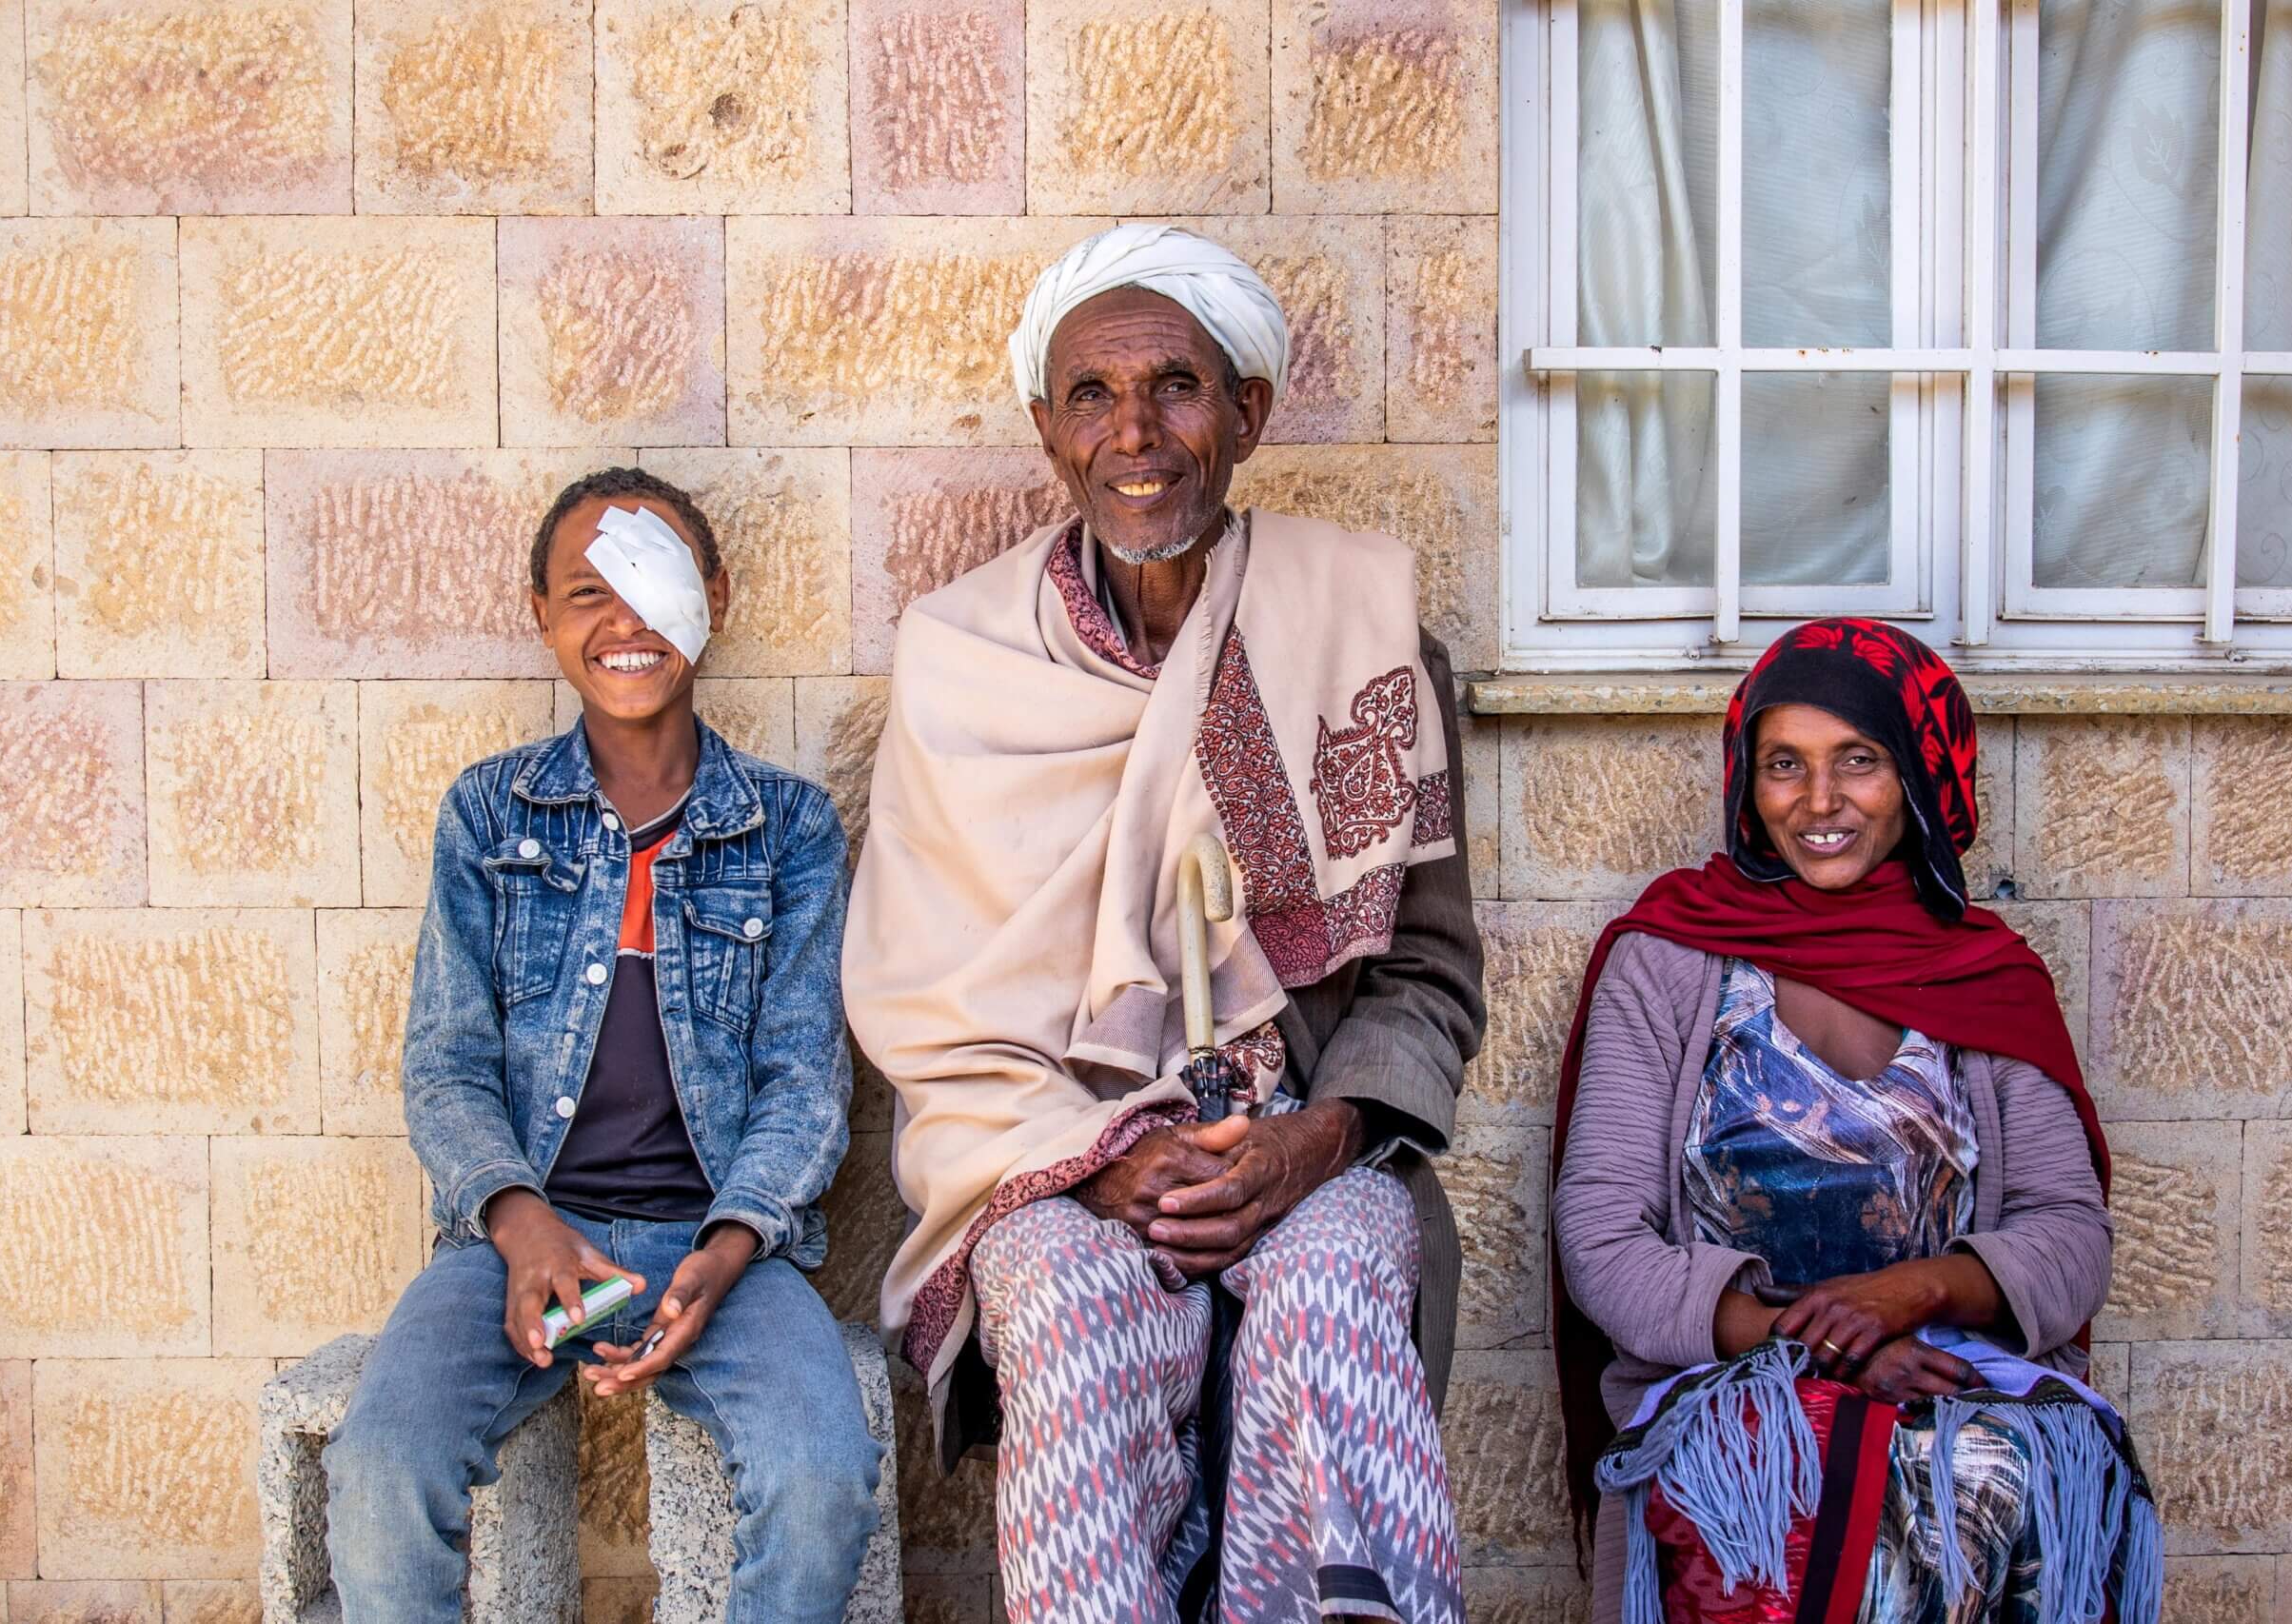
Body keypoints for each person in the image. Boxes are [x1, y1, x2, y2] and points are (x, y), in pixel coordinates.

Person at [844, 223, 1484, 1624]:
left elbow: (1429, 975)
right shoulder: (965, 664)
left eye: (1178, 387)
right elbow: (922, 999)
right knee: (1063, 1303)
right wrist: (1097, 1159)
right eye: (1093, 394)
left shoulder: (1365, 629)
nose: (1137, 432)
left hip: (1303, 1144)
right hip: (1057, 1155)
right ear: (1047, 431)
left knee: (1329, 1288)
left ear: (1247, 412)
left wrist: (1314, 1143)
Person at [324, 467, 879, 1623]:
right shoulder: (491, 814)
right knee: (380, 1467)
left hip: (725, 1252)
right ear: (540, 616)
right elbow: (446, 1062)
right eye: (587, 590)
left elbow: (805, 1079)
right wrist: (520, 1224)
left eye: (654, 583)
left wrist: (728, 1246)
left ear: (712, 596)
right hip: (524, 1244)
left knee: (821, 1476)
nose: (624, 621)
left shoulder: (788, 827)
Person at [1551, 619, 2161, 1624]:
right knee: (1782, 1487)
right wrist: (1810, 1343)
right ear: (1747, 780)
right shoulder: (1667, 957)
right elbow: (1604, 1238)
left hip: (1956, 1374)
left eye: (1859, 762)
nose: (1819, 801)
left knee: (1982, 1472)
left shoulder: (1985, 976)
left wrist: (1905, 1293)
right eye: (1785, 764)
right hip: (1724, 1378)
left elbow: (2069, 1232)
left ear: (1920, 777)